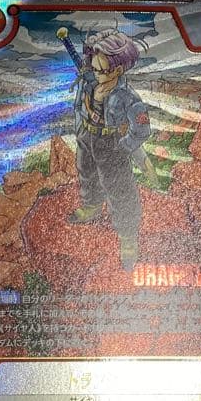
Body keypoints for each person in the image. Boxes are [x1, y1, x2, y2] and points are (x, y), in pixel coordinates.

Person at [62, 27, 151, 271]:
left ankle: (128, 237)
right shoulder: (90, 81)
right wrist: (81, 131)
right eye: (95, 69)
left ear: (119, 69)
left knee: (119, 188)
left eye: (103, 70)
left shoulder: (127, 97)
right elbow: (81, 105)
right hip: (87, 137)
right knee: (86, 173)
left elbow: (142, 129)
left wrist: (124, 147)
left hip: (112, 144)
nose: (98, 75)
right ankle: (92, 206)